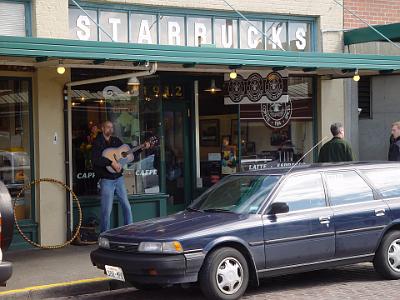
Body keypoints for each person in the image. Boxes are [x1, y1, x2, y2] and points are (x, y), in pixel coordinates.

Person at [92, 121, 149, 232]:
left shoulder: (116, 141)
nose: (110, 129)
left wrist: (142, 148)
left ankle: (129, 230)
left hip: (119, 179)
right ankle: (104, 234)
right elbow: (96, 159)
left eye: (111, 127)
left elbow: (128, 153)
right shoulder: (97, 142)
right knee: (106, 210)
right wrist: (111, 162)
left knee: (126, 206)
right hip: (106, 180)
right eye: (108, 127)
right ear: (103, 128)